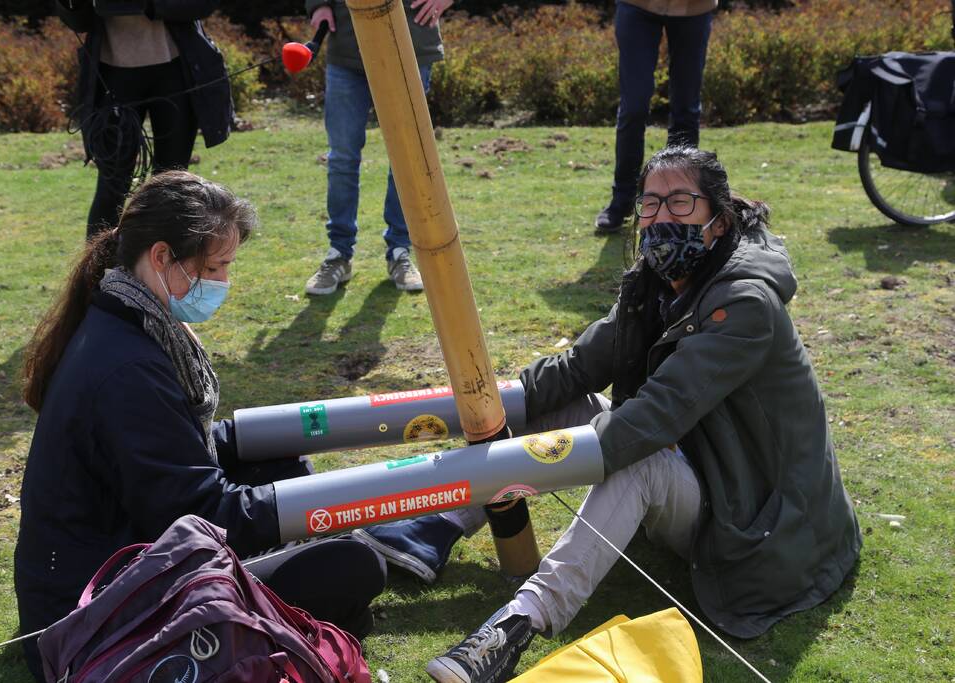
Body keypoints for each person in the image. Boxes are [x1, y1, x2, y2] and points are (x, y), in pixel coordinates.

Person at [426, 146, 863, 683]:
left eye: (680, 202)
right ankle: (432, 527)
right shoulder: (653, 283)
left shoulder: (746, 303)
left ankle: (517, 625)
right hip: (703, 471)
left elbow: (654, 418)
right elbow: (576, 369)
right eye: (650, 204)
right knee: (560, 405)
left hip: (763, 521)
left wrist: (531, 460)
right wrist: (477, 404)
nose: (660, 218)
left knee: (638, 456)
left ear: (719, 219)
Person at [15, 171, 385, 682]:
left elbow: (183, 446)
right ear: (162, 256)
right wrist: (330, 502)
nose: (223, 282)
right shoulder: (127, 367)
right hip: (93, 613)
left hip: (120, 559)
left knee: (284, 466)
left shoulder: (127, 320)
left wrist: (285, 469)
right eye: (214, 267)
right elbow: (199, 511)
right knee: (353, 566)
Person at [302, 0, 453, 295]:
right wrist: (318, 4)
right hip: (347, 47)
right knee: (342, 159)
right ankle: (339, 254)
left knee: (406, 157)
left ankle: (400, 251)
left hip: (410, 45)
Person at [55, 0, 233, 238]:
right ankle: (98, 261)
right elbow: (80, 22)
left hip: (175, 71)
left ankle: (164, 258)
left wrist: (150, 5)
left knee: (171, 183)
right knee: (112, 183)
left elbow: (201, 5)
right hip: (112, 76)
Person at [594, 0, 717, 234]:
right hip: (637, 6)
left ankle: (679, 202)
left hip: (694, 9)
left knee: (686, 109)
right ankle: (623, 200)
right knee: (633, 107)